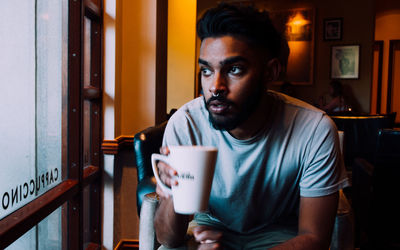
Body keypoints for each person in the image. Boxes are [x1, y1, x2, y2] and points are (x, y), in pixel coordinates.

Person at [154, 3, 349, 250]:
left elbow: (314, 238)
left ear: (270, 72)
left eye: (234, 69)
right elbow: (167, 239)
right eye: (206, 70)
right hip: (208, 232)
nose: (215, 86)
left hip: (279, 237)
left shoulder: (315, 129)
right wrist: (172, 194)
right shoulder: (186, 124)